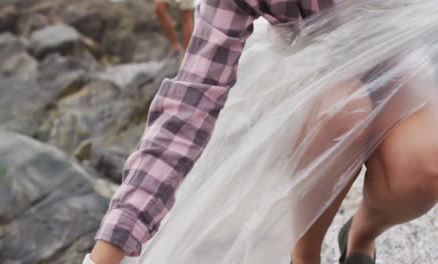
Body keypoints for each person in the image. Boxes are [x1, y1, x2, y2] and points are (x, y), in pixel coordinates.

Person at [86, 0, 438, 263]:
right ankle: (305, 255)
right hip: (314, 66)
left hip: (393, 54)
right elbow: (190, 103)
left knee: (426, 170)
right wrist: (110, 247)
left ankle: (361, 237)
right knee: (340, 111)